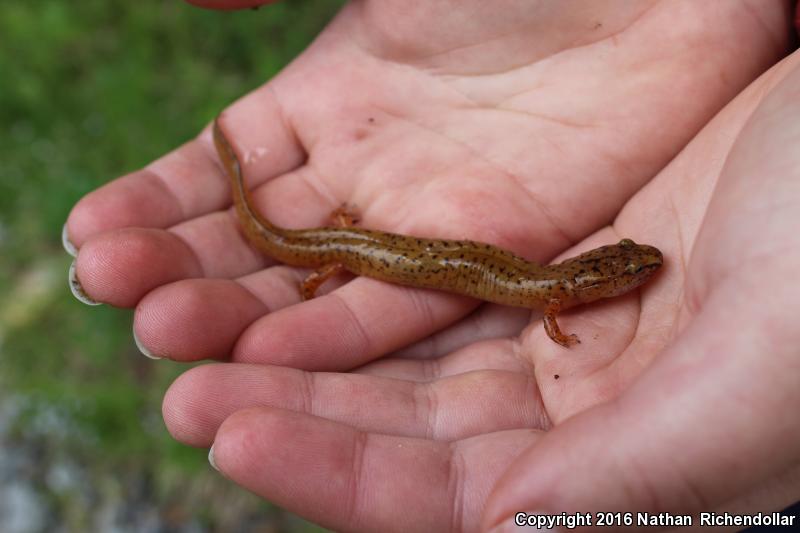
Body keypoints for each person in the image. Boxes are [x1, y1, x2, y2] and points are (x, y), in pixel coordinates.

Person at [65, 1, 800, 530]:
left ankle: (295, 224)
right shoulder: (557, 294)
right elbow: (547, 305)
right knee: (311, 249)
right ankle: (268, 211)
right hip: (350, 250)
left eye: (632, 269)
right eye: (630, 270)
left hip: (359, 245)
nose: (640, 270)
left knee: (329, 249)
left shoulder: (557, 289)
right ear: (595, 280)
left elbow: (547, 301)